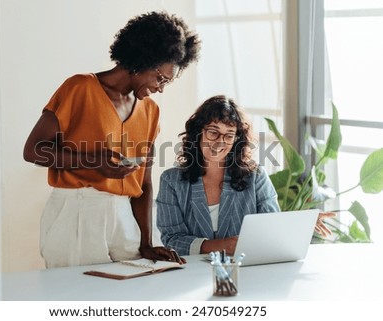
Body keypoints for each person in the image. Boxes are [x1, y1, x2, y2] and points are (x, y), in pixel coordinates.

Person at [23, 11, 201, 268]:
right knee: (77, 299)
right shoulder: (80, 88)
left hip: (123, 216)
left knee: (130, 298)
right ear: (142, 60)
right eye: (160, 78)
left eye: (167, 83)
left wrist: (146, 243)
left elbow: (144, 185)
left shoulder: (150, 111)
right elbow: (33, 150)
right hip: (77, 211)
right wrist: (93, 162)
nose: (161, 88)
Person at [156, 95, 334, 256]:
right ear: (198, 133)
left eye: (229, 135)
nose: (220, 141)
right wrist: (220, 245)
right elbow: (172, 239)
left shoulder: (255, 177)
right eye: (213, 132)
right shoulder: (171, 181)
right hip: (190, 275)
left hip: (245, 271)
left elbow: (270, 227)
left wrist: (301, 222)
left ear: (236, 140)